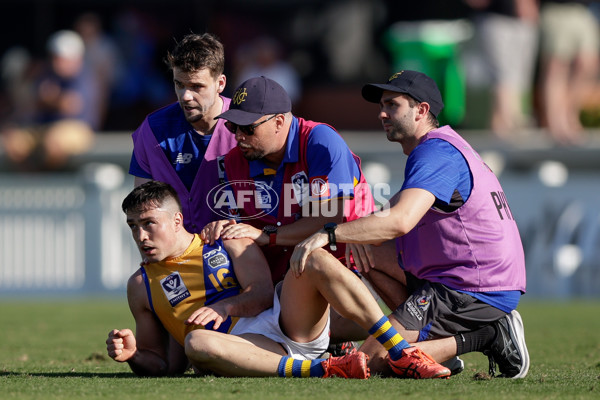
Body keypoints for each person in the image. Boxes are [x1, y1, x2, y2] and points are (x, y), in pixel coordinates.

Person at [291, 70, 530, 379]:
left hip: (472, 287)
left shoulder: (436, 152)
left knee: (371, 361)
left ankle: (491, 335)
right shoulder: (438, 148)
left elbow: (399, 221)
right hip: (464, 278)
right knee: (364, 246)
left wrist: (329, 233)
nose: (382, 113)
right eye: (382, 105)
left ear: (422, 110)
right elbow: (382, 218)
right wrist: (352, 234)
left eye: (393, 105)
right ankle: (431, 342)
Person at [107, 181, 449, 379]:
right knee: (198, 342)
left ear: (178, 220)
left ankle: (402, 351)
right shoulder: (141, 285)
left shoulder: (226, 240)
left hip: (285, 322)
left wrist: (224, 307)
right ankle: (327, 369)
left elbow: (261, 294)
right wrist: (134, 355)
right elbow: (168, 365)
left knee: (312, 256)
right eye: (133, 226)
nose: (140, 234)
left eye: (149, 223)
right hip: (238, 349)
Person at [128, 33, 237, 233]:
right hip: (176, 254)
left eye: (197, 86)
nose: (186, 96)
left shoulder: (247, 125)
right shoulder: (152, 130)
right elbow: (143, 211)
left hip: (237, 247)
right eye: (179, 84)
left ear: (220, 83)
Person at [0, 30, 95, 171]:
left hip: (76, 127)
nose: (58, 62)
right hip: (42, 127)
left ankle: (47, 180)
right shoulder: (46, 73)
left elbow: (71, 105)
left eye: (63, 58)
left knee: (53, 142)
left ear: (77, 59)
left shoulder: (84, 77)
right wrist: (52, 99)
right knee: (12, 140)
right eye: (55, 57)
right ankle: (30, 180)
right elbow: (33, 102)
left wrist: (50, 99)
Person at [464, 0, 539, 138]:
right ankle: (510, 123)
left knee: (518, 76)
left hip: (521, 22)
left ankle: (505, 122)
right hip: (495, 19)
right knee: (502, 75)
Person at [537, 0, 600, 145]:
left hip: (583, 9)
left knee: (588, 64)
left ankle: (569, 115)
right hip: (556, 9)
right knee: (556, 67)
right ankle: (556, 124)